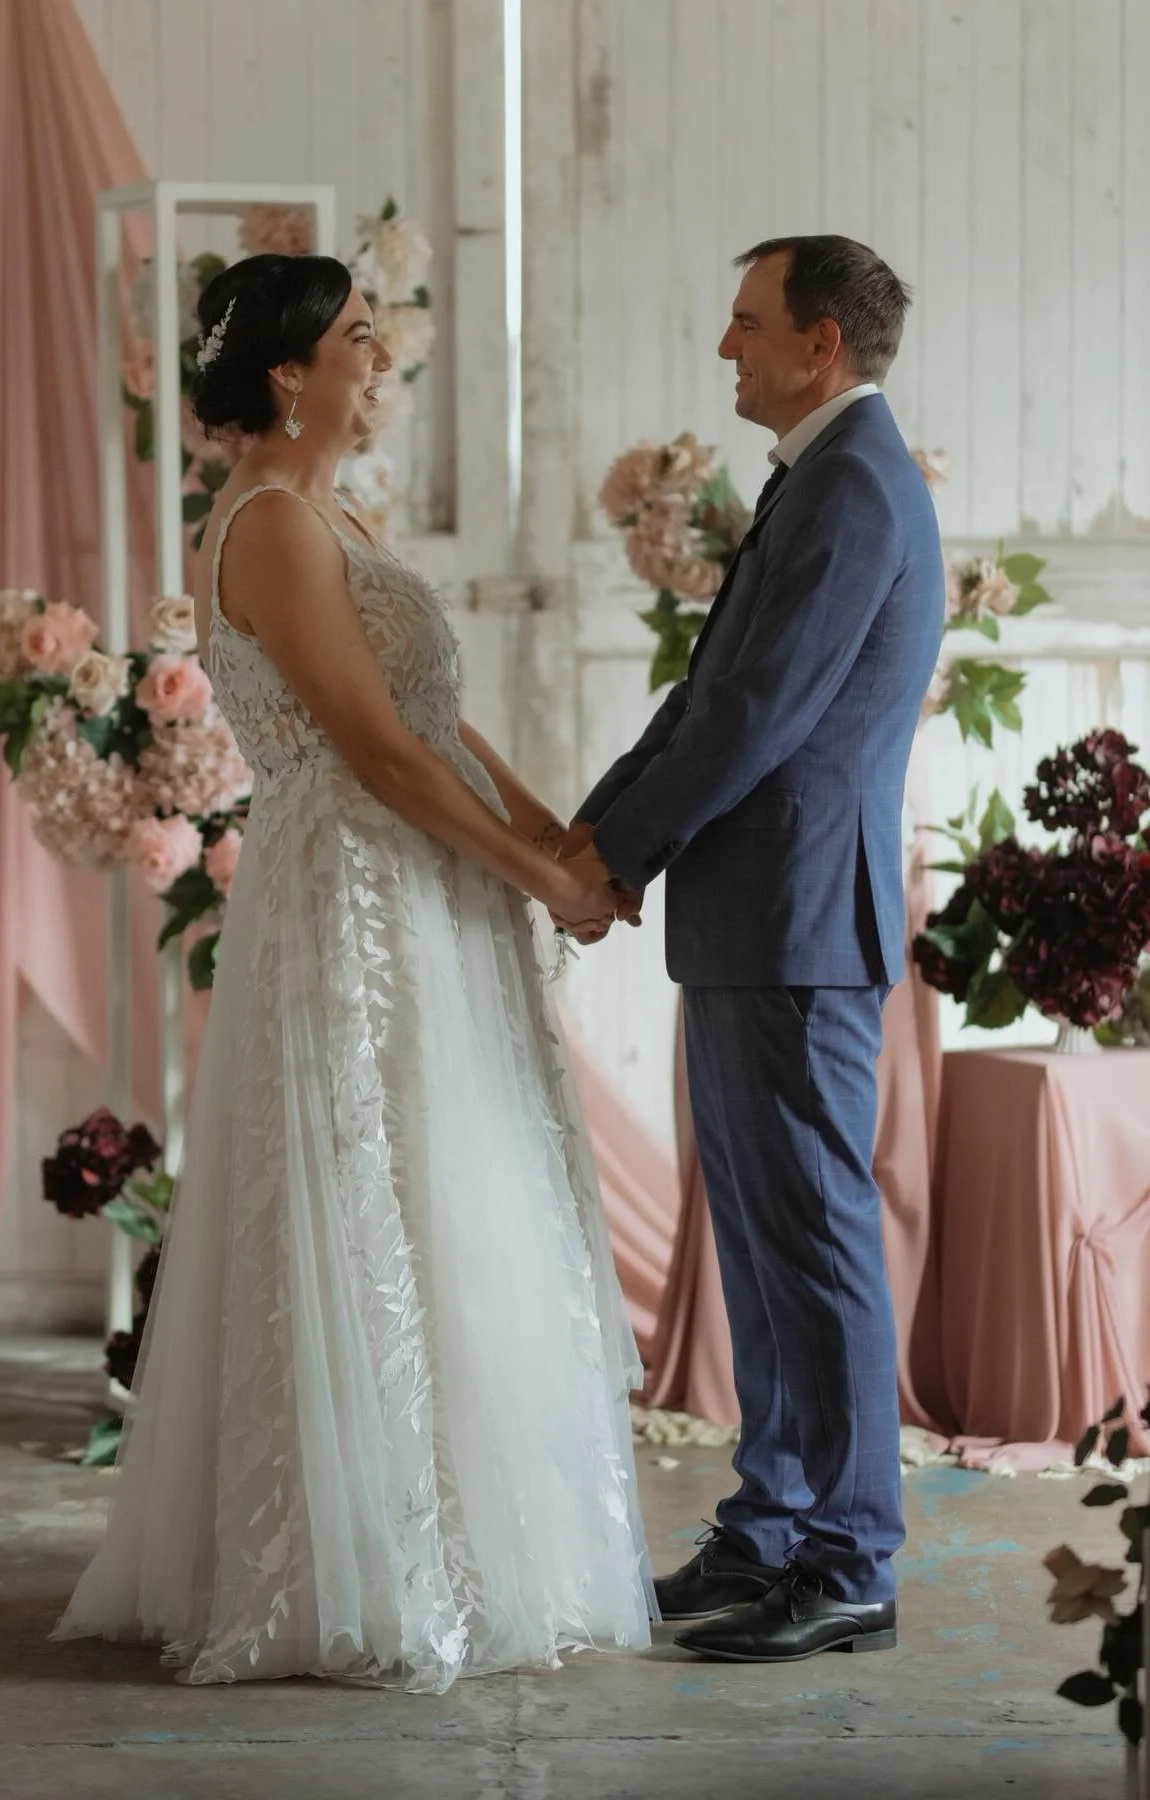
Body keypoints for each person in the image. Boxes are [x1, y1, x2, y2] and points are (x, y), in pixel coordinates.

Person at [54, 253, 655, 1692]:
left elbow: (435, 716)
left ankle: (468, 1528)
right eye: (360, 344)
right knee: (378, 1195)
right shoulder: (264, 526)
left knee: (459, 1190)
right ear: (289, 372)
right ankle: (364, 1561)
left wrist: (551, 834)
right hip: (359, 902)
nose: (378, 364)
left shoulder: (333, 512)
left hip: (430, 889)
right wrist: (539, 879)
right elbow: (375, 755)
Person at [561, 236, 942, 1663]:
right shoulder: (820, 477)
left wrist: (611, 856)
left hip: (792, 920)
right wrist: (595, 831)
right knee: (769, 1242)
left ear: (822, 343)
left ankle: (848, 1558)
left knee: (815, 1239)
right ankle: (772, 1521)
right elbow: (708, 693)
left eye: (745, 323)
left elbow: (757, 716)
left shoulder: (849, 483)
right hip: (756, 917)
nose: (726, 348)